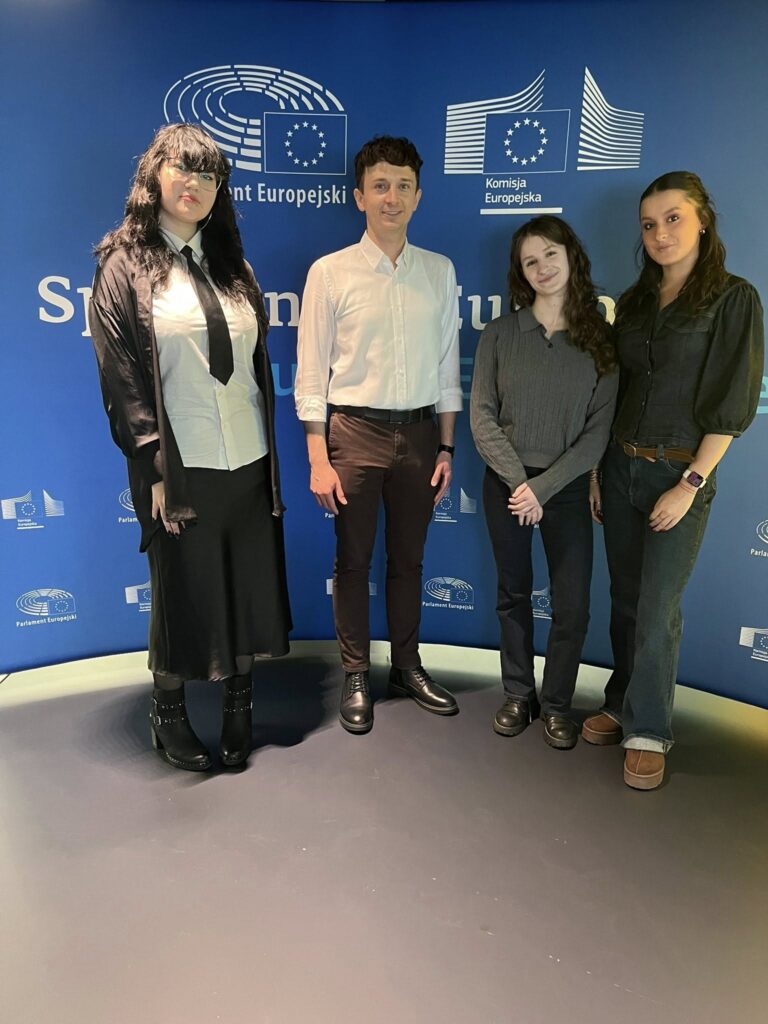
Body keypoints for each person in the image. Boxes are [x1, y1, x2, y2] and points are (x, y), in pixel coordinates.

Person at [89, 123, 291, 772]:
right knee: (181, 592)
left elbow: (253, 370)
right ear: (154, 175)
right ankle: (168, 715)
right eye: (183, 168)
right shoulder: (124, 266)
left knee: (248, 586)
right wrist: (154, 468)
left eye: (209, 175)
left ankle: (239, 708)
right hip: (180, 466)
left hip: (249, 459)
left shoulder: (235, 268)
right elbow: (122, 380)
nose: (195, 184)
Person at [583, 171, 764, 790]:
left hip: (678, 472)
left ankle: (649, 730)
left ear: (702, 221)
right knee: (625, 599)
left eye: (674, 218)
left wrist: (689, 483)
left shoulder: (734, 300)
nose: (660, 233)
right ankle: (621, 702)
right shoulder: (634, 302)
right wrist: (599, 471)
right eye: (649, 224)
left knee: (658, 607)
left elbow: (733, 405)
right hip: (620, 466)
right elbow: (616, 390)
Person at [295, 135, 462, 734]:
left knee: (409, 560)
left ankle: (407, 667)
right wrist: (318, 458)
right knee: (353, 560)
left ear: (419, 197)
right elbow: (311, 375)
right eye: (380, 186)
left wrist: (447, 447)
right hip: (353, 433)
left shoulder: (439, 272)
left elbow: (447, 368)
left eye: (404, 186)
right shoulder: (330, 273)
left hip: (420, 435)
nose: (392, 198)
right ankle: (357, 672)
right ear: (359, 196)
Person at [471, 216, 618, 749]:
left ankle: (556, 703)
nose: (542, 267)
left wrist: (544, 488)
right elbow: (482, 418)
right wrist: (521, 485)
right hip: (507, 486)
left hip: (567, 487)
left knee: (572, 604)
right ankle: (518, 694)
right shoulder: (499, 335)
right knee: (512, 593)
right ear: (521, 272)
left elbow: (597, 435)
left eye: (550, 254)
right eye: (530, 261)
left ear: (571, 256)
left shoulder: (601, 341)